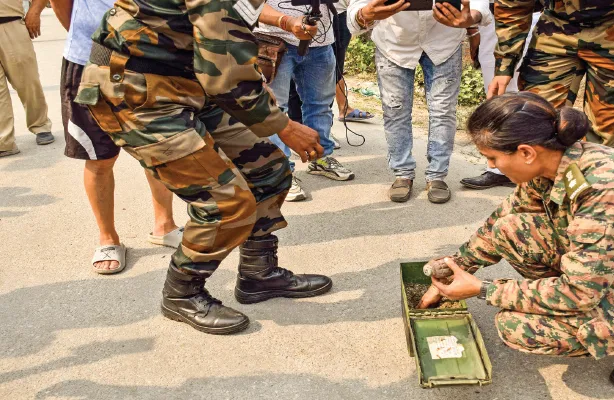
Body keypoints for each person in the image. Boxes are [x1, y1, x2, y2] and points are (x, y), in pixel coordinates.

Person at [419, 92, 614, 393]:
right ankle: (590, 311)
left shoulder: (607, 188)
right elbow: (504, 220)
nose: (492, 165)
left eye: (492, 158)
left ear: (526, 152)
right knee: (512, 229)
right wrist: (456, 266)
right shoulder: (553, 163)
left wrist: (483, 290)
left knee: (518, 326)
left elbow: (580, 292)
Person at [77, 0, 332, 334]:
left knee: (268, 169)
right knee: (223, 202)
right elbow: (226, 70)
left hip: (188, 82)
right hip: (136, 90)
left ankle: (258, 274)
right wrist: (284, 126)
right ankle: (182, 293)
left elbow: (227, 50)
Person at [49, 0, 182, 274]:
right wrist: (96, 40)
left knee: (157, 148)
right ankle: (107, 237)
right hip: (89, 62)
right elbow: (61, 4)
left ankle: (165, 225)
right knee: (100, 158)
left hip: (151, 61)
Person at [488, 0, 614, 152]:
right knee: (535, 123)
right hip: (556, 26)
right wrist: (505, 64)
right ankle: (540, 193)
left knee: (607, 136)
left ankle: (601, 191)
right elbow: (513, 5)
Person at [347, 0, 492, 204]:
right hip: (393, 43)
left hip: (445, 40)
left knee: (443, 111)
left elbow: (478, 4)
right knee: (395, 110)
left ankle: (437, 176)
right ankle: (402, 173)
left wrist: (472, 20)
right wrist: (364, 14)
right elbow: (357, 7)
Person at [257, 1, 356, 203]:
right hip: (273, 40)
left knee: (320, 105)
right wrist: (286, 22)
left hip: (321, 42)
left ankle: (320, 157)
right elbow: (249, 5)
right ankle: (280, 173)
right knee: (274, 109)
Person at [459, 1, 539, 190]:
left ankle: (535, 172)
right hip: (493, 21)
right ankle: (498, 170)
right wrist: (472, 30)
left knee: (533, 98)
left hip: (538, 18)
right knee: (496, 98)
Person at [0, 0, 54, 158]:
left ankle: (40, 125)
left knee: (27, 82)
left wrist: (34, 12)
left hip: (11, 23)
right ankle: (4, 141)